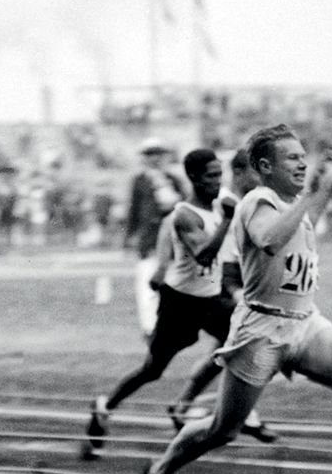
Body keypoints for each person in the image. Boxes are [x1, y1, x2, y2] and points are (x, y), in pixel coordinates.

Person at [130, 124, 332, 474]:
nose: (302, 163)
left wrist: (324, 191)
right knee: (222, 429)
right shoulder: (255, 201)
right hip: (261, 331)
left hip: (305, 321)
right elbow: (270, 240)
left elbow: (305, 223)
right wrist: (308, 197)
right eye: (293, 159)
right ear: (266, 166)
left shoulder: (290, 204)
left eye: (304, 157)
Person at [85, 149, 244, 449]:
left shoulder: (220, 207)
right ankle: (105, 405)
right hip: (181, 303)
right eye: (211, 175)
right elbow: (204, 256)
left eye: (219, 174)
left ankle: (191, 406)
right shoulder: (185, 215)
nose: (217, 180)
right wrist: (226, 222)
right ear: (194, 178)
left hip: (210, 299)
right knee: (153, 369)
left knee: (238, 343)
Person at [162, 145, 278, 442]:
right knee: (248, 345)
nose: (262, 179)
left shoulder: (250, 201)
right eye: (257, 172)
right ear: (239, 172)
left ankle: (185, 404)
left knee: (228, 349)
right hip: (222, 282)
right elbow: (185, 231)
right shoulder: (225, 202)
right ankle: (240, 412)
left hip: (234, 279)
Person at [124, 139, 183, 336]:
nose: (154, 159)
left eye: (158, 154)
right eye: (150, 154)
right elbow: (134, 210)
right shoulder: (140, 181)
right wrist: (129, 236)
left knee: (173, 283)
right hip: (149, 240)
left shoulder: (173, 180)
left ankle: (169, 325)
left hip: (172, 242)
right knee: (148, 285)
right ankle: (150, 327)